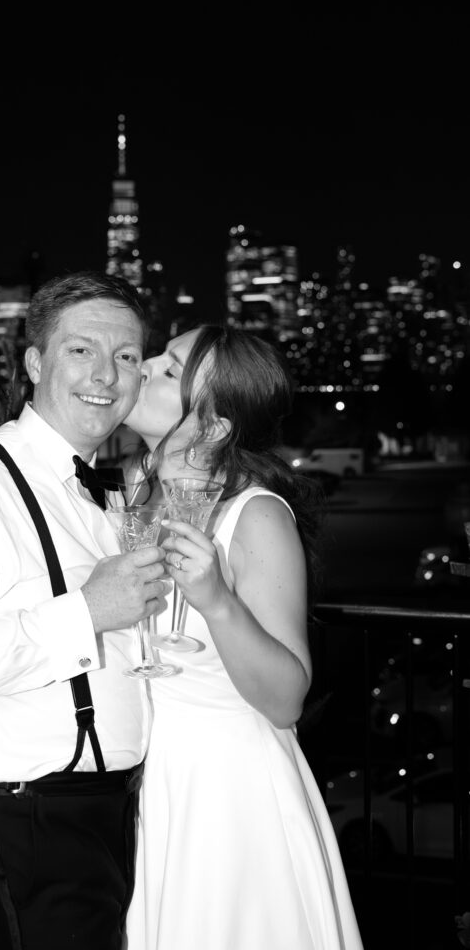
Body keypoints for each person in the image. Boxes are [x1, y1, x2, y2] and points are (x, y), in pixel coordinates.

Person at [0, 272, 170, 950]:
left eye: (127, 356)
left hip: (106, 816)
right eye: (81, 350)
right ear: (34, 363)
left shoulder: (99, 499)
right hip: (25, 824)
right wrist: (84, 613)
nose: (106, 374)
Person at [123, 324, 364, 950]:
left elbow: (287, 699)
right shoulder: (131, 495)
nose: (143, 365)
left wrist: (218, 602)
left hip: (227, 799)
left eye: (171, 370)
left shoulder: (254, 515)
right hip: (145, 784)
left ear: (214, 427)